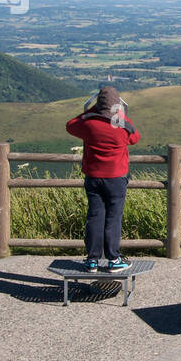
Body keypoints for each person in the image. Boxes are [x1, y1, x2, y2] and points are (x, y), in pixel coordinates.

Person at [66, 85, 140, 272]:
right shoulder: (121, 127)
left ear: (98, 104)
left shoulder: (88, 124)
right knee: (113, 218)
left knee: (95, 217)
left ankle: (92, 259)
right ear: (117, 106)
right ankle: (114, 259)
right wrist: (120, 114)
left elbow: (71, 124)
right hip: (116, 178)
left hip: (93, 177)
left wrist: (92, 110)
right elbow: (135, 137)